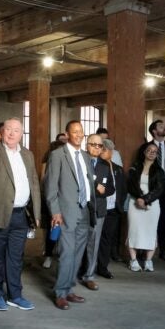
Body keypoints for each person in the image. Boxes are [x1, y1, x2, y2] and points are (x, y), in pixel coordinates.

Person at [0, 118, 40, 311]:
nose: (11, 133)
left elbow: (34, 183)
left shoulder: (27, 155)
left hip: (20, 214)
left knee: (15, 257)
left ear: (21, 134)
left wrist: (35, 212)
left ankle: (15, 295)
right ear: (2, 131)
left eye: (16, 130)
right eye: (8, 129)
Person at [45, 120, 96, 310]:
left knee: (78, 253)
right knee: (66, 253)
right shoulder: (57, 155)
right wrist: (55, 212)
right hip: (65, 212)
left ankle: (69, 289)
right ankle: (60, 293)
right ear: (67, 134)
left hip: (85, 211)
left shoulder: (85, 156)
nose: (79, 135)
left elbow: (88, 184)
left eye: (81, 132)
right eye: (75, 132)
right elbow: (50, 187)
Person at [78, 134, 110, 290]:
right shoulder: (80, 160)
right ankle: (70, 274)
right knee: (77, 244)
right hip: (80, 209)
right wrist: (95, 185)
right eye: (93, 144)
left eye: (99, 146)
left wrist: (102, 190)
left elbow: (111, 188)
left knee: (93, 244)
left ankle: (89, 276)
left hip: (98, 210)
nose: (96, 148)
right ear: (87, 145)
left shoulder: (105, 165)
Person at [127, 142, 165, 272]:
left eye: (155, 151)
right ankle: (133, 260)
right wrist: (139, 198)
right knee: (134, 230)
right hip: (135, 202)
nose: (152, 152)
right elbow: (130, 184)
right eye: (149, 150)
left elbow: (159, 189)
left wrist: (146, 200)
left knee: (151, 231)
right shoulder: (135, 167)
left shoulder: (159, 171)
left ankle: (148, 260)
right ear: (144, 152)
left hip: (152, 205)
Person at [146, 119, 165, 261]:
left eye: (163, 125)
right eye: (160, 126)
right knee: (150, 218)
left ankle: (163, 249)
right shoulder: (146, 147)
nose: (163, 127)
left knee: (164, 219)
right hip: (151, 188)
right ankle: (147, 248)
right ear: (154, 131)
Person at [97, 139, 126, 279]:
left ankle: (103, 267)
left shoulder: (118, 169)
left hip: (114, 209)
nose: (101, 152)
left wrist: (120, 205)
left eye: (104, 150)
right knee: (94, 238)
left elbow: (123, 189)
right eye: (101, 149)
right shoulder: (95, 166)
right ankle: (87, 268)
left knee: (107, 239)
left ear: (111, 152)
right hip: (99, 208)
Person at [40, 137, 66, 268]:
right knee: (53, 230)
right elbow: (43, 180)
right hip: (51, 200)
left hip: (65, 201)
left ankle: (56, 254)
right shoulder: (48, 160)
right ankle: (48, 255)